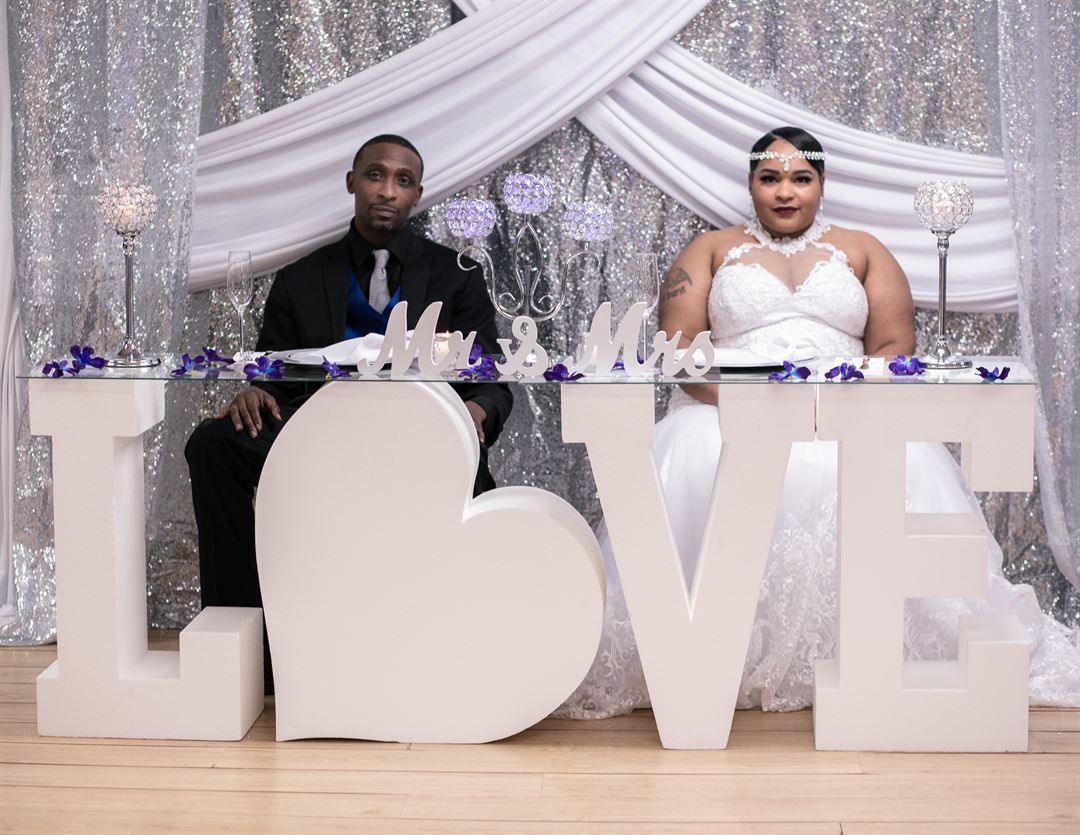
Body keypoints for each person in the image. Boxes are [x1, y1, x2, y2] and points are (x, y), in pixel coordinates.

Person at [556, 126, 1078, 717]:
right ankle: (700, 654)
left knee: (902, 464)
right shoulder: (710, 249)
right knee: (698, 459)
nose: (785, 191)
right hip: (725, 409)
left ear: (821, 184)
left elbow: (893, 350)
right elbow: (678, 354)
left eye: (800, 178)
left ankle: (875, 659)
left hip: (846, 410)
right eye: (770, 178)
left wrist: (830, 407)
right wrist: (757, 409)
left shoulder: (863, 249)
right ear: (751, 183)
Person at [185, 135, 513, 690]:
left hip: (422, 442)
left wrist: (478, 411)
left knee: (462, 463)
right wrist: (254, 390)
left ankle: (455, 652)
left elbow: (494, 380)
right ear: (351, 183)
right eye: (375, 175)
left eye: (403, 180)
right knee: (213, 445)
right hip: (320, 442)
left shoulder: (457, 275)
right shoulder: (299, 278)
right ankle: (252, 650)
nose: (387, 191)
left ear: (417, 194)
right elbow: (274, 372)